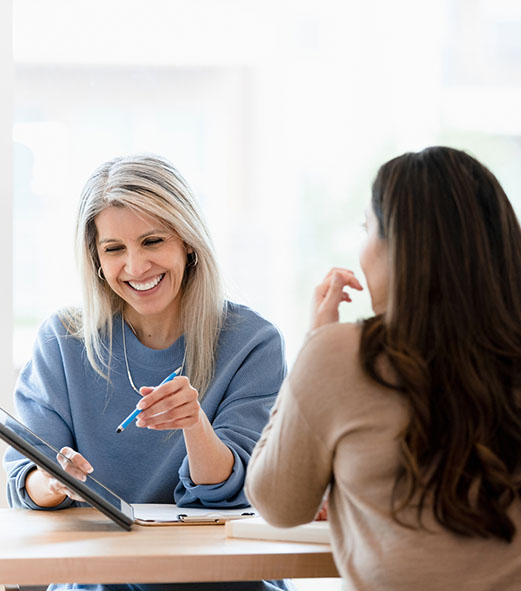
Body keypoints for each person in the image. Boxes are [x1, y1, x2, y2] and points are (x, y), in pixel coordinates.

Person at [4, 154, 293, 591]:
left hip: (223, 584)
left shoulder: (253, 342)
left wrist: (195, 425)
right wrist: (54, 480)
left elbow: (237, 493)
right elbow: (20, 481)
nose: (136, 267)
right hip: (97, 582)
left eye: (153, 241)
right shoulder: (63, 340)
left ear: (188, 242)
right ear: (96, 261)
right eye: (114, 249)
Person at [246, 146, 521, 590]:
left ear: (400, 246)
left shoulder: (340, 355)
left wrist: (314, 346)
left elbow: (279, 504)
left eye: (366, 228)